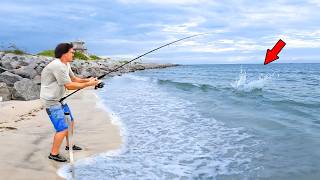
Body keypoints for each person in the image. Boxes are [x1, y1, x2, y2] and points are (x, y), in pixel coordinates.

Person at [40, 43, 100, 162]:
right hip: (51, 101)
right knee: (62, 128)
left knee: (70, 122)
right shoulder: (57, 66)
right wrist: (89, 84)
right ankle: (54, 154)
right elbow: (70, 86)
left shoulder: (66, 64)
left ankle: (69, 145)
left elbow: (74, 79)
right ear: (64, 53)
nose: (74, 54)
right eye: (72, 52)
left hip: (60, 99)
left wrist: (89, 80)